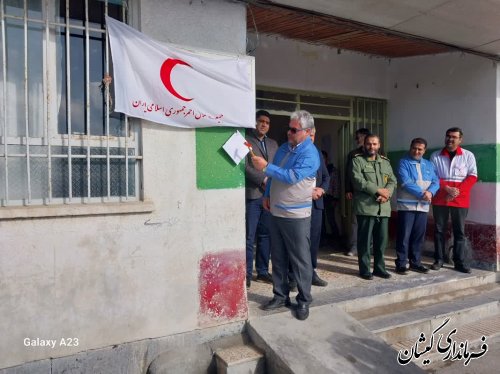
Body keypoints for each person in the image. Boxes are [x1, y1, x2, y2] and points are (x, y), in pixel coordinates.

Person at [251, 110, 320, 321]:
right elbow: (275, 174)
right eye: (288, 129)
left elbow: (292, 176)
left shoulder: (310, 153)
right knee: (278, 256)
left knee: (300, 259)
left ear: (307, 132)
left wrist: (266, 167)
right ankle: (280, 296)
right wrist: (268, 194)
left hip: (297, 214)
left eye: (293, 129)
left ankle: (304, 299)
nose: (289, 133)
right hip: (277, 210)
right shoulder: (283, 148)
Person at [430, 127, 477, 273]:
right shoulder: (435, 155)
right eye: (448, 136)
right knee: (439, 230)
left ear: (460, 139)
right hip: (440, 198)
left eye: (454, 137)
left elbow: (472, 176)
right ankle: (439, 259)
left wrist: (457, 191)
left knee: (459, 231)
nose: (450, 139)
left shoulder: (468, 155)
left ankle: (459, 262)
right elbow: (432, 176)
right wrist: (447, 189)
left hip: (460, 199)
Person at [351, 134, 396, 280]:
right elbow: (358, 180)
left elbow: (392, 180)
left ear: (379, 145)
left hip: (383, 207)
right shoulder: (357, 161)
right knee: (364, 241)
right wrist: (377, 190)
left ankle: (379, 268)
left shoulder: (385, 162)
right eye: (369, 144)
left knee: (381, 241)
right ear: (364, 145)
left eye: (375, 144)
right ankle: (364, 270)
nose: (372, 147)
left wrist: (386, 194)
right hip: (366, 207)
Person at [395, 138, 439, 274]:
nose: (417, 151)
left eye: (420, 149)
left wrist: (431, 192)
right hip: (406, 206)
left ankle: (415, 262)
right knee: (404, 236)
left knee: (418, 236)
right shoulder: (403, 162)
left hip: (423, 206)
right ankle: (401, 264)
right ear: (410, 147)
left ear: (424, 150)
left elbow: (436, 181)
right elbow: (405, 182)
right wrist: (422, 194)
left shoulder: (429, 164)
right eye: (414, 148)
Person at [245, 110, 279, 288]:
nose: (264, 124)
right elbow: (245, 167)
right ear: (255, 122)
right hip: (253, 195)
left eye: (267, 122)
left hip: (269, 195)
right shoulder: (245, 140)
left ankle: (263, 271)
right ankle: (247, 275)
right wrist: (263, 179)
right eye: (261, 121)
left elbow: (278, 166)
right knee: (249, 236)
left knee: (266, 235)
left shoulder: (274, 144)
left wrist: (272, 182)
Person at [345, 128, 371, 256]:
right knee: (356, 220)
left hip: (373, 193)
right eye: (357, 137)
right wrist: (348, 189)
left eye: (359, 136)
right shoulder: (353, 154)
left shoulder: (377, 152)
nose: (357, 139)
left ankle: (370, 246)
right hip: (357, 191)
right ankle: (354, 246)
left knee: (372, 220)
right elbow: (348, 173)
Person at [309, 128, 330, 286]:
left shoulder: (316, 151)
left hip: (316, 204)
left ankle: (311, 272)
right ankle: (293, 275)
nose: (311, 138)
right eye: (308, 134)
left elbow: (326, 176)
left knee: (314, 240)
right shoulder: (290, 150)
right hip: (298, 204)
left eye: (313, 135)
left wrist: (321, 189)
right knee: (298, 242)